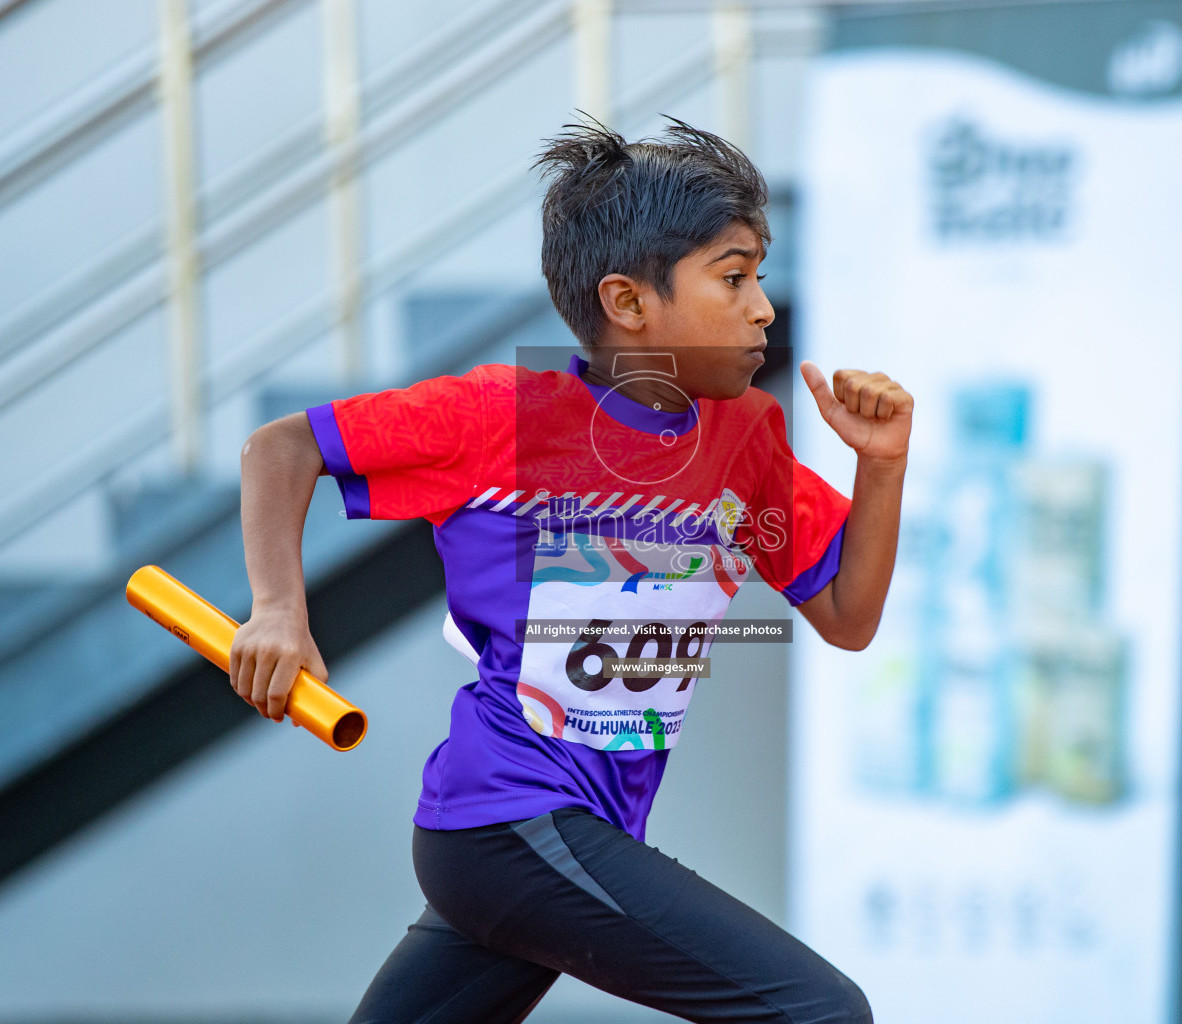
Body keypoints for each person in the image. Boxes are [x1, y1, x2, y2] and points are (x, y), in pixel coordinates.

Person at [229, 119, 912, 1024]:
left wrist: (883, 466)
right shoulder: (495, 417)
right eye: (734, 276)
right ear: (629, 302)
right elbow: (282, 448)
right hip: (509, 819)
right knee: (820, 1012)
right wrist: (279, 610)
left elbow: (847, 616)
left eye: (759, 276)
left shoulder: (747, 437)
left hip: (564, 834)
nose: (764, 308)